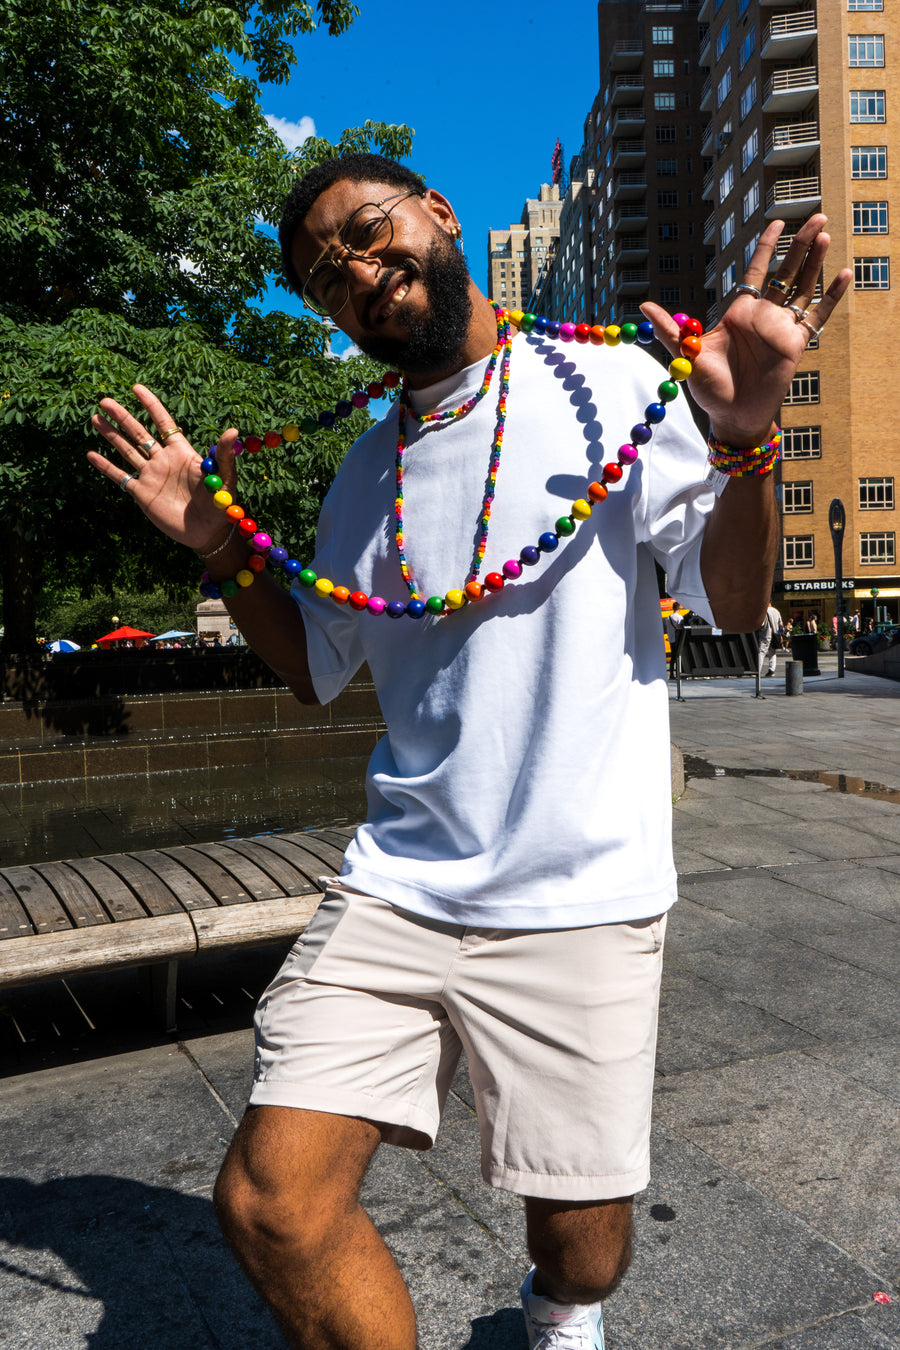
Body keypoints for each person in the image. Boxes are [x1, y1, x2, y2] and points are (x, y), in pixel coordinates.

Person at [87, 154, 850, 1350]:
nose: (359, 273)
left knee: (583, 1247)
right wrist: (223, 552)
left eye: (370, 230)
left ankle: (559, 1308)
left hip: (582, 895)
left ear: (438, 214)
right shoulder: (360, 474)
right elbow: (317, 669)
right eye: (326, 276)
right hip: (402, 884)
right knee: (271, 1202)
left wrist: (749, 438)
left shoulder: (612, 385)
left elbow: (740, 604)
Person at [757, 603, 784, 676]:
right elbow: (780, 624)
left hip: (766, 634)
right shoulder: (776, 611)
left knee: (761, 652)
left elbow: (761, 624)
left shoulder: (764, 611)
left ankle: (758, 670)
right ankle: (771, 670)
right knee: (772, 652)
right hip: (775, 635)